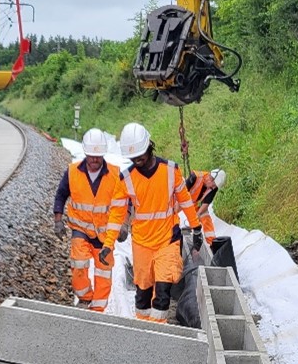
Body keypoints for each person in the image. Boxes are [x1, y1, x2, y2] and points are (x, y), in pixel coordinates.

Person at [101, 123, 203, 323]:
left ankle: (158, 331)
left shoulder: (170, 171)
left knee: (163, 292)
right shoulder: (126, 179)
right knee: (143, 294)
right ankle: (144, 330)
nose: (138, 161)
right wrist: (108, 243)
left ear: (149, 147)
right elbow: (116, 214)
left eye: (140, 155)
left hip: (167, 240)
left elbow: (186, 201)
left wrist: (196, 228)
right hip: (142, 244)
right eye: (133, 158)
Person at [53, 127, 121, 312]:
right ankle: (84, 297)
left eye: (97, 156)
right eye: (91, 155)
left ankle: (98, 309)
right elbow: (61, 195)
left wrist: (125, 225)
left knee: (103, 271)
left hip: (104, 233)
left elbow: (125, 201)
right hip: (80, 228)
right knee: (79, 264)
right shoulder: (73, 171)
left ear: (103, 154)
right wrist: (58, 220)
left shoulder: (115, 174)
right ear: (85, 153)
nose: (94, 160)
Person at [185, 168, 226, 245]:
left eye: (215, 187)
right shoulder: (195, 177)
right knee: (173, 214)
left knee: (205, 216)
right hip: (182, 201)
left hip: (194, 203)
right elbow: (180, 194)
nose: (213, 188)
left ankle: (211, 243)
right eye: (213, 185)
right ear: (210, 178)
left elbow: (206, 203)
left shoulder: (214, 187)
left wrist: (197, 216)